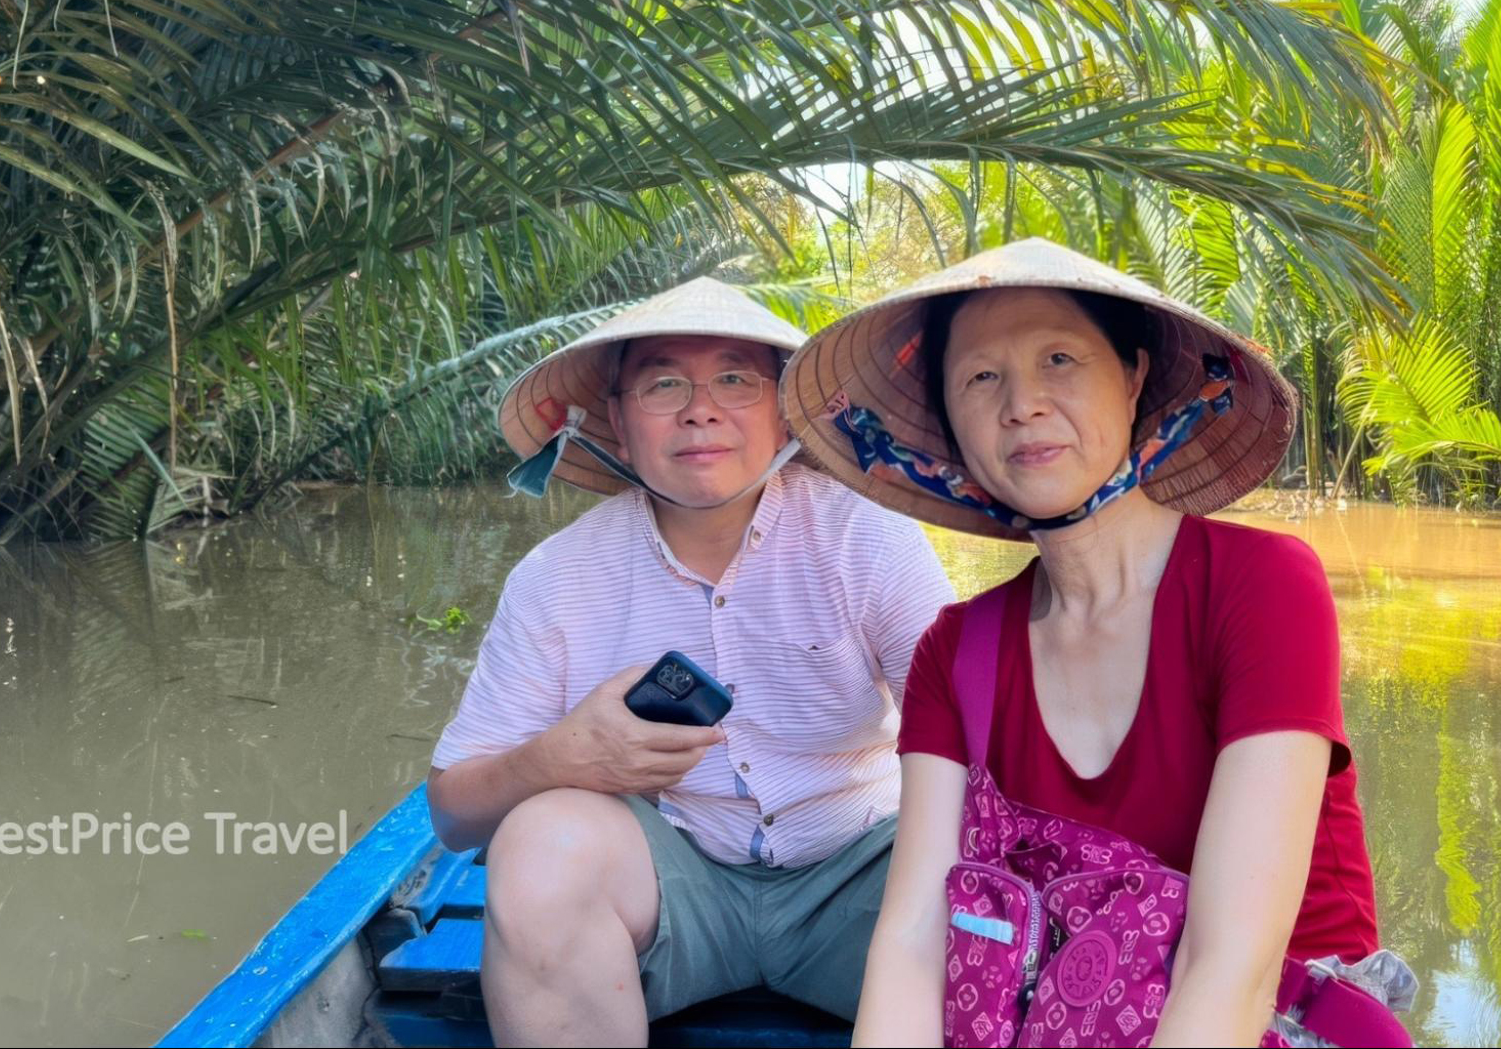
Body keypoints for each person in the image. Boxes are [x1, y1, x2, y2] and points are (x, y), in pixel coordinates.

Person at [778, 239, 1410, 1047]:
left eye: (1059, 358)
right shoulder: (954, 651)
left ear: (1135, 375)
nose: (1023, 404)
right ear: (949, 420)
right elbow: (912, 944)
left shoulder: (1262, 587)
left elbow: (1232, 965)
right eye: (981, 377)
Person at [426, 277, 957, 1047]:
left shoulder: (865, 538)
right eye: (663, 381)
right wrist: (561, 755)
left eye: (737, 377)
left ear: (782, 411)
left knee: (993, 877)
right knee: (539, 840)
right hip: (670, 887)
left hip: (863, 878)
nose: (700, 408)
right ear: (616, 420)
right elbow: (451, 811)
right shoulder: (557, 575)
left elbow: (971, 748)